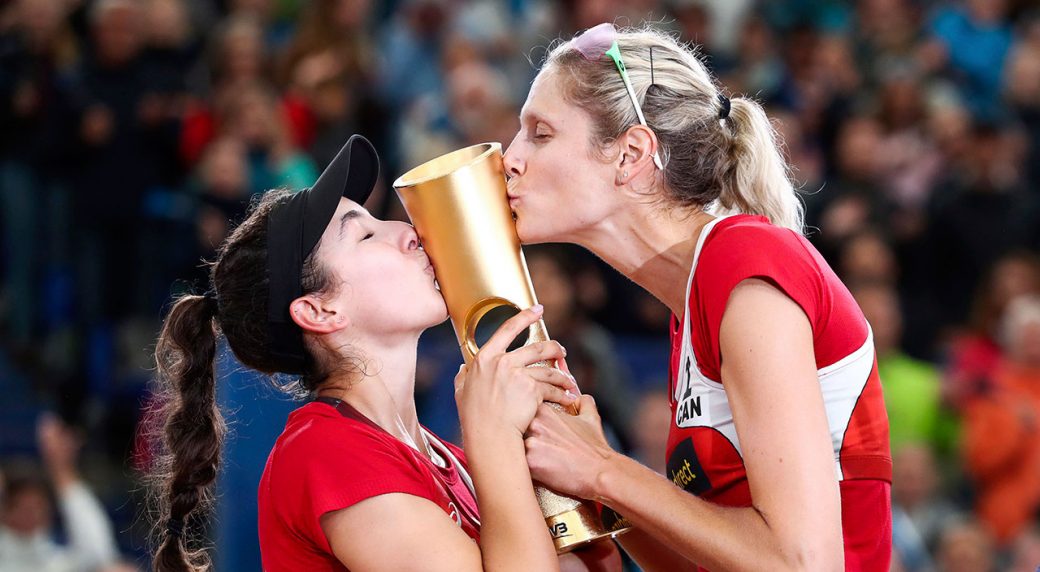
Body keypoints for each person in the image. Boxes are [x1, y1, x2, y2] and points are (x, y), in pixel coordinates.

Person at [502, 23, 892, 571]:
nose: (509, 158)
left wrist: (603, 470)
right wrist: (599, 494)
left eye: (540, 133)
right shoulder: (695, 299)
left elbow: (804, 563)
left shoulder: (745, 263)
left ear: (631, 153)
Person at [149, 135, 616, 571]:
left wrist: (586, 484)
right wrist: (494, 436)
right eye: (365, 235)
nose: (407, 231)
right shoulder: (322, 453)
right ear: (319, 310)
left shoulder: (446, 459)